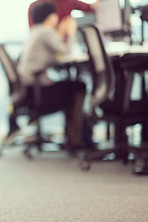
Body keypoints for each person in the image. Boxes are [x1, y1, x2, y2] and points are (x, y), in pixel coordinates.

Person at [17, 1, 87, 150]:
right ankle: (75, 140)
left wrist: (60, 33)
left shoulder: (37, 30)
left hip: (29, 88)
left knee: (72, 85)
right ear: (50, 17)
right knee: (78, 86)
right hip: (37, 90)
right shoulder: (45, 32)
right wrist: (71, 32)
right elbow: (66, 51)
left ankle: (72, 137)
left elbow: (54, 56)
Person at [28, 0, 98, 28]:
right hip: (47, 45)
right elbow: (35, 31)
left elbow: (90, 8)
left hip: (64, 45)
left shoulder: (68, 2)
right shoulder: (35, 6)